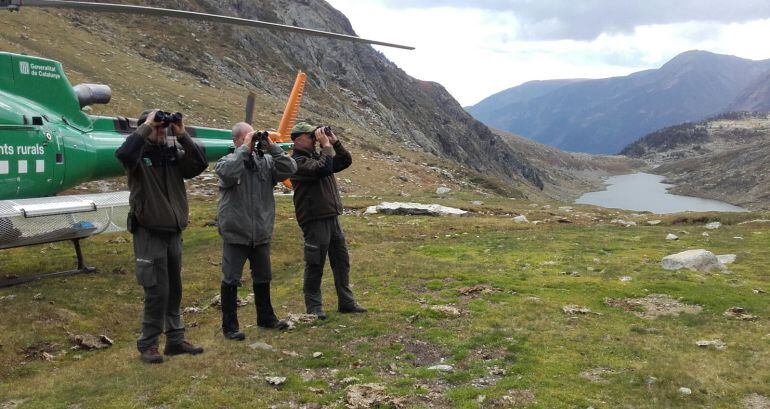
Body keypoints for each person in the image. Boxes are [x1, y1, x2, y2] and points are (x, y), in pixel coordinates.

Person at [115, 109, 208, 364]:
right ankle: (148, 343)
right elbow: (123, 153)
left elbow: (200, 163)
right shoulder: (137, 156)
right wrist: (145, 127)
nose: (160, 131)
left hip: (173, 232)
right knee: (156, 290)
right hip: (149, 231)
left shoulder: (173, 156)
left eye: (162, 127)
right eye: (157, 127)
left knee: (174, 289)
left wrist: (181, 134)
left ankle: (175, 340)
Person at [214, 123, 297, 340]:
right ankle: (230, 326)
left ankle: (266, 317)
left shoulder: (266, 162)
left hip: (260, 231)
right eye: (247, 137)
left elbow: (291, 169)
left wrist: (272, 147)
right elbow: (228, 173)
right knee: (231, 279)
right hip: (236, 232)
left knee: (263, 276)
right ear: (236, 141)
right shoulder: (226, 162)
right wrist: (245, 149)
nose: (253, 141)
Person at [289, 122, 367, 319]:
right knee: (315, 263)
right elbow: (322, 169)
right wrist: (325, 147)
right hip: (314, 219)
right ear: (298, 139)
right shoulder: (296, 162)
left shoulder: (318, 157)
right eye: (310, 135)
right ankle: (314, 308)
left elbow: (345, 161)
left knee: (341, 262)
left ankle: (346, 302)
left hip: (331, 216)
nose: (314, 138)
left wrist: (335, 142)